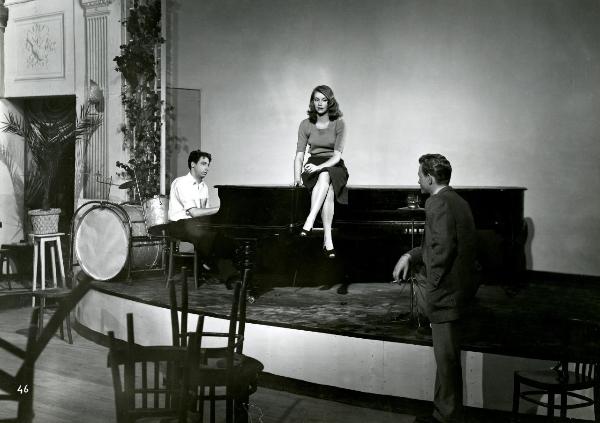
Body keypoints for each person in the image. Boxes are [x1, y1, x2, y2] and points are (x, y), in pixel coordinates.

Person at [392, 154, 477, 423]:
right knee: (447, 363)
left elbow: (441, 251)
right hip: (458, 294)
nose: (417, 179)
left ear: (429, 178)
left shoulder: (436, 202)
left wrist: (430, 288)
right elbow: (436, 244)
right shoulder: (457, 201)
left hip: (445, 297)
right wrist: (411, 256)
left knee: (446, 362)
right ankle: (444, 414)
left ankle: (447, 417)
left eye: (420, 175)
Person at [294, 85, 349, 259]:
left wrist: (320, 168)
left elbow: (337, 156)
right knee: (329, 189)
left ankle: (310, 220)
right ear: (312, 102)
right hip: (312, 165)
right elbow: (299, 155)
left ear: (330, 102)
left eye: (324, 99)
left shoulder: (339, 123)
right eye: (316, 99)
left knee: (326, 174)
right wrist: (297, 178)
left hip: (334, 165)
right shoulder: (305, 124)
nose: (320, 103)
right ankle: (328, 240)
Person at [168, 150, 237, 286]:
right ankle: (213, 266)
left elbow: (205, 213)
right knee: (206, 234)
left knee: (222, 232)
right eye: (203, 164)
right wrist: (220, 209)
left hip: (196, 224)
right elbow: (194, 212)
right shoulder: (181, 183)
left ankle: (220, 269)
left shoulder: (203, 186)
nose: (207, 168)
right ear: (193, 164)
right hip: (178, 225)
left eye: (208, 165)